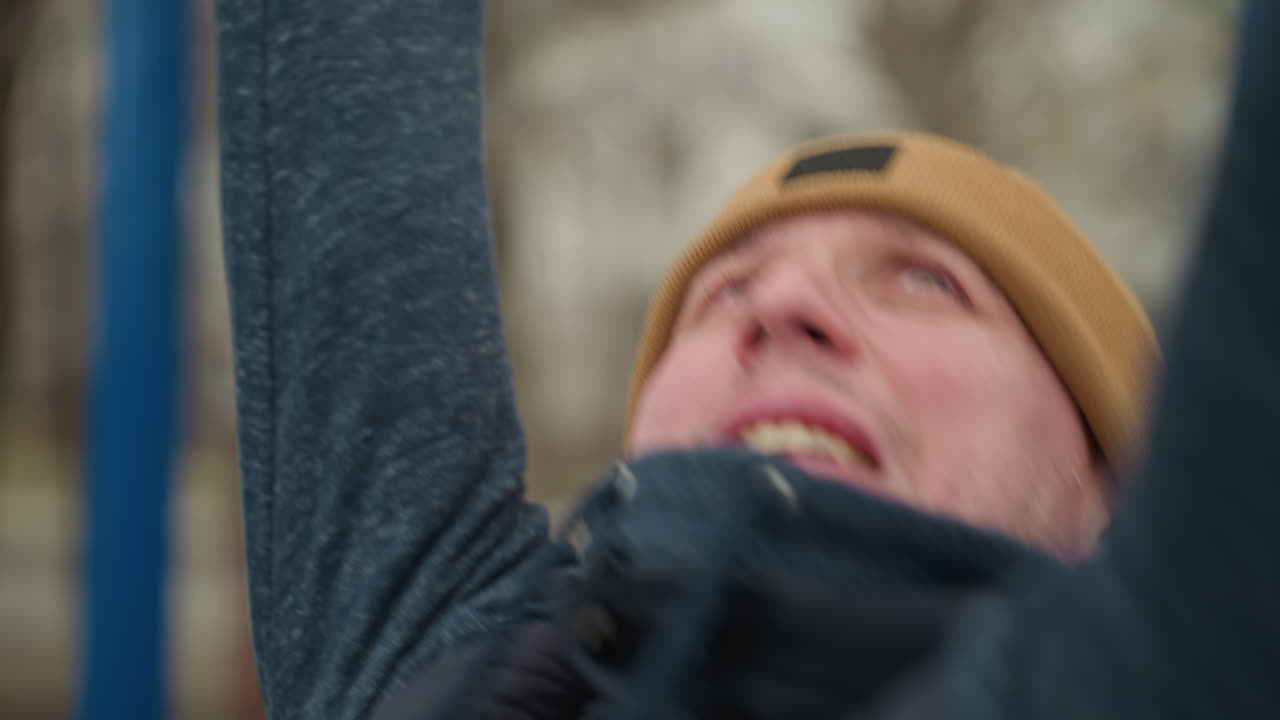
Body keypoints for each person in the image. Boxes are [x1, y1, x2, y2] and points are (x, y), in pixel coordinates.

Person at [214, 1, 1279, 719]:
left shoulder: (1145, 676)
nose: (778, 304)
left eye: (924, 282)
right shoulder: (447, 662)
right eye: (722, 292)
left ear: (1113, 503)